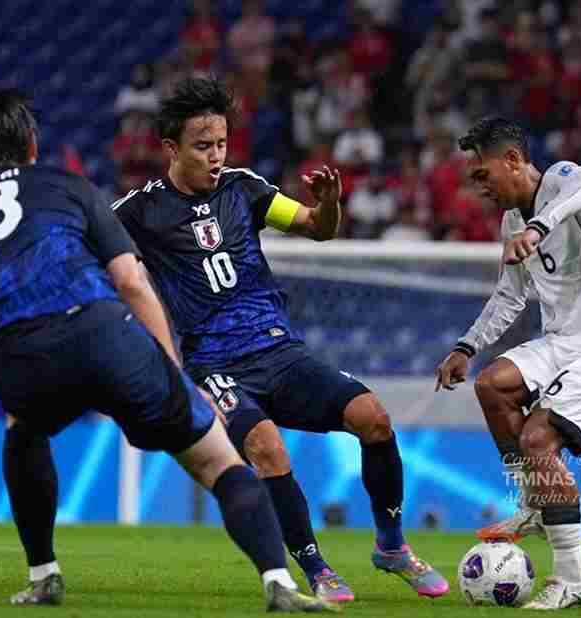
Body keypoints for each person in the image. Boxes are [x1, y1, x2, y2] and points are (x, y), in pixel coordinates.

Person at [0, 88, 335, 613]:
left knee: (23, 432)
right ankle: (278, 582)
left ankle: (43, 575)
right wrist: (175, 374)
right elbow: (130, 280)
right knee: (215, 459)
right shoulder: (68, 186)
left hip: (21, 351)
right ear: (32, 143)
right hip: (106, 334)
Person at [112, 76, 449, 602]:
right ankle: (316, 569)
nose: (216, 155)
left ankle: (392, 546)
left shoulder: (244, 188)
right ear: (171, 148)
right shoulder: (139, 211)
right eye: (203, 146)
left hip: (280, 351)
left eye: (222, 143)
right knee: (267, 447)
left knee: (374, 419)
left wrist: (330, 204)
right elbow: (91, 248)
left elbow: (317, 227)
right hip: (216, 366)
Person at [434, 116, 581, 610]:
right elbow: (510, 295)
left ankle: (575, 577)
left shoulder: (562, 181)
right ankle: (534, 499)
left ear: (513, 160)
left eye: (483, 174)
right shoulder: (511, 222)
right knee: (492, 385)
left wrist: (540, 225)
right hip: (563, 341)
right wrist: (467, 346)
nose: (480, 186)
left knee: (538, 439)